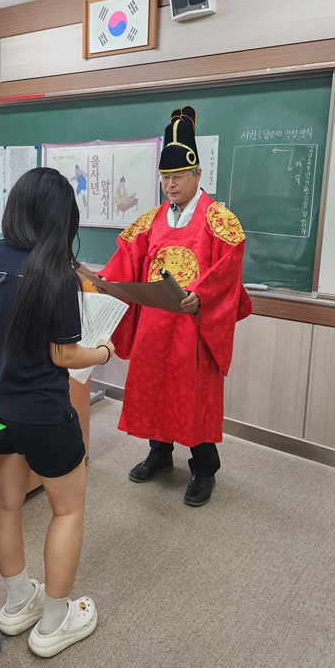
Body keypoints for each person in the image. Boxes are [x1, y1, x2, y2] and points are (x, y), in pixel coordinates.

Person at [0, 167, 115, 657]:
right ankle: (53, 622)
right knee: (67, 510)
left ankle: (17, 601)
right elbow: (63, 355)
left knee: (5, 504)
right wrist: (103, 352)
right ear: (59, 218)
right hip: (43, 413)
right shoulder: (55, 274)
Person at [98, 106, 251, 507]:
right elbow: (126, 257)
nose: (170, 184)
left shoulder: (220, 219)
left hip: (192, 327)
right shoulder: (150, 220)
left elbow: (228, 265)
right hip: (154, 323)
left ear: (198, 174)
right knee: (153, 387)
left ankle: (204, 468)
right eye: (165, 177)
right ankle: (160, 453)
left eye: (178, 175)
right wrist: (100, 282)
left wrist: (201, 293)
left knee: (194, 395)